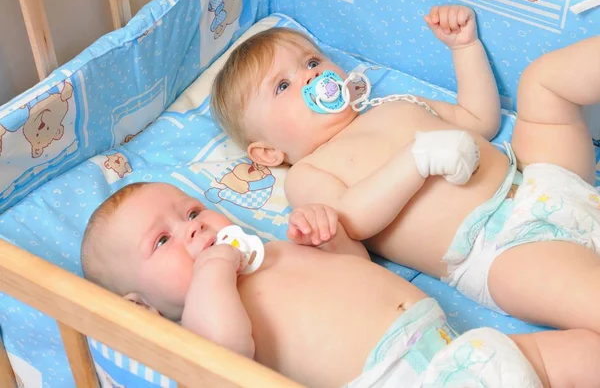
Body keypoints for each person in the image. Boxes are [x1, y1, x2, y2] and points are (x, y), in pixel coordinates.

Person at [210, 4, 600, 334]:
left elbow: (479, 120)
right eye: (282, 86)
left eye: (312, 62)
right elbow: (353, 220)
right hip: (498, 250)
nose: (310, 75)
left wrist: (465, 48)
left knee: (542, 82)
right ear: (267, 153)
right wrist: (416, 160)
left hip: (534, 176)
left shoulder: (396, 104)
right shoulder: (308, 172)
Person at [81, 181, 600, 387]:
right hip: (400, 380)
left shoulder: (271, 250)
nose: (193, 228)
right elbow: (226, 349)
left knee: (582, 352)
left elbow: (359, 270)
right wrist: (214, 269)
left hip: (458, 350)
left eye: (192, 211)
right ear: (141, 307)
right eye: (163, 242)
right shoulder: (202, 314)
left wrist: (331, 238)